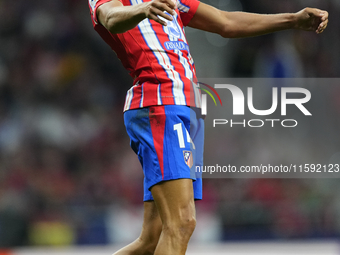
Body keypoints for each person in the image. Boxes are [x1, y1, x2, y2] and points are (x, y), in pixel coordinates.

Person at [88, 0, 328, 254]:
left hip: (187, 108)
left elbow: (226, 22)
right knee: (182, 223)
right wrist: (142, 10)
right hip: (160, 104)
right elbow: (111, 17)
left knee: (153, 238)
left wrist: (292, 20)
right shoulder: (126, 3)